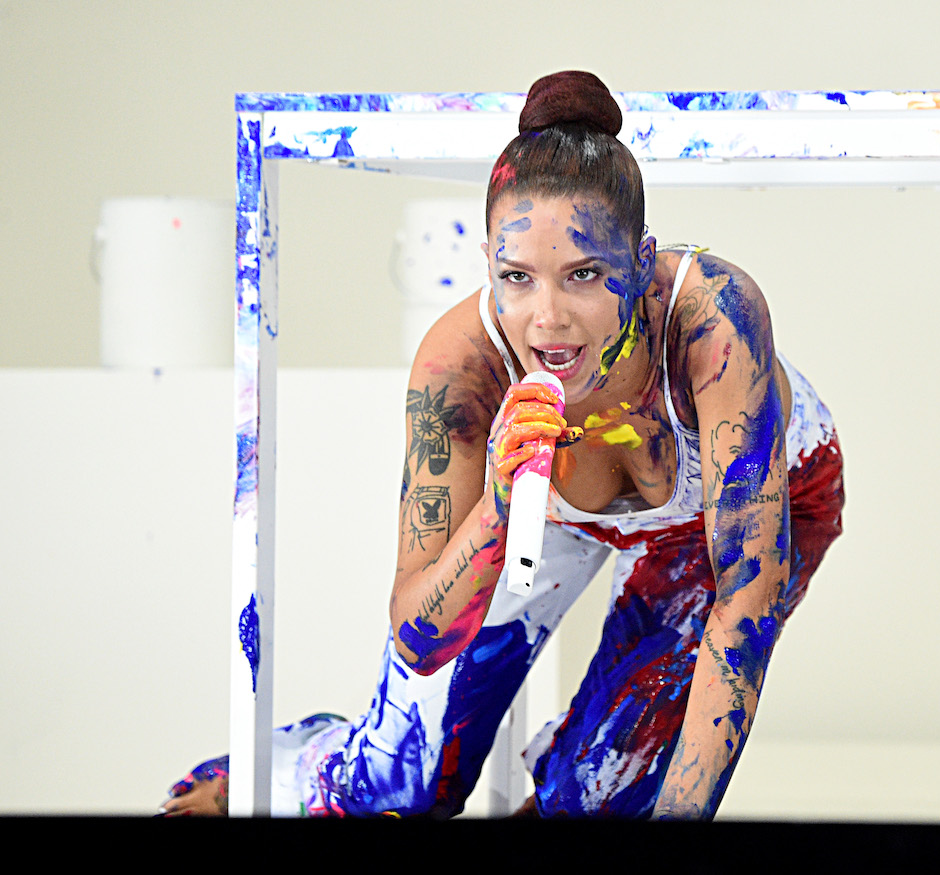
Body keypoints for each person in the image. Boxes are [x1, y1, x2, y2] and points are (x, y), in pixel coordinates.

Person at [161, 70, 844, 820]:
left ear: (641, 263)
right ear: (489, 262)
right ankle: (307, 762)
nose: (547, 319)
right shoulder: (462, 366)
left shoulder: (713, 321)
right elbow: (419, 639)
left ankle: (566, 792)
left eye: (584, 275)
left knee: (598, 798)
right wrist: (495, 507)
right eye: (517, 277)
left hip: (728, 518)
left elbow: (745, 600)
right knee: (397, 789)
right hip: (546, 511)